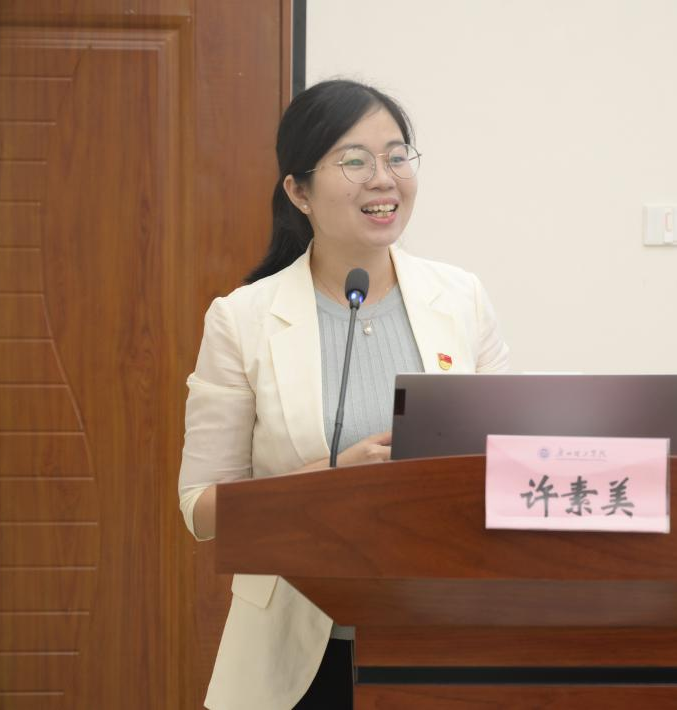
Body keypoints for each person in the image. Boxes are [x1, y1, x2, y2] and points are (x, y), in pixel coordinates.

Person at [177, 79, 509, 710]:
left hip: (442, 636)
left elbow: (507, 455)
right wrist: (331, 478)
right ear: (298, 191)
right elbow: (200, 508)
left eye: (397, 156)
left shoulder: (461, 298)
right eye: (354, 160)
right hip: (303, 652)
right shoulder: (243, 319)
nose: (383, 179)